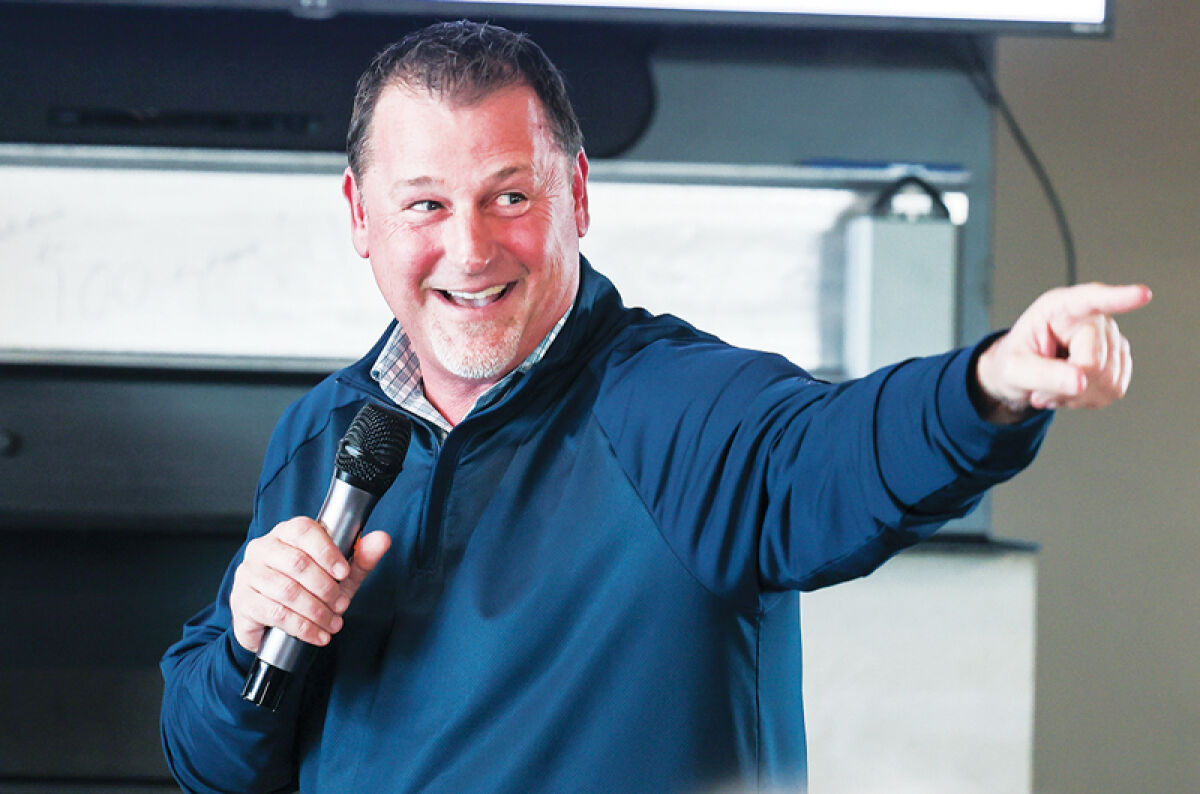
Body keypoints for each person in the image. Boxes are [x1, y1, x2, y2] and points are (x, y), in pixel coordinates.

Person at [160, 20, 1151, 794]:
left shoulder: (670, 404)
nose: (469, 248)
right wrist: (249, 637)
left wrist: (988, 385)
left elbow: (834, 455)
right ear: (360, 216)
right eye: (425, 204)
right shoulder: (331, 432)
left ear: (578, 196)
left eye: (511, 196)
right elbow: (215, 763)